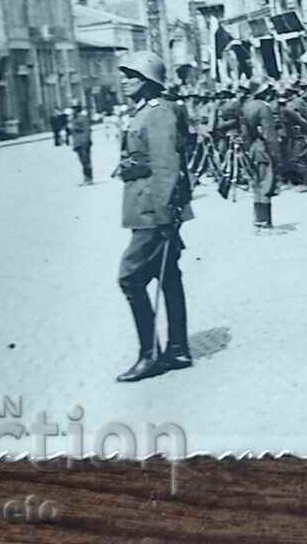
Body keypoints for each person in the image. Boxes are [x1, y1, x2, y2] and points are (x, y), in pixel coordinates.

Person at [114, 51, 192, 383]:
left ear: (148, 81)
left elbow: (166, 168)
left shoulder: (157, 113)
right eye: (124, 74)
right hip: (152, 207)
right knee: (168, 276)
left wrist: (162, 219)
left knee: (130, 278)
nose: (124, 79)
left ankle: (151, 356)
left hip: (153, 210)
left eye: (131, 75)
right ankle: (177, 349)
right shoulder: (146, 111)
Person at [240, 81, 278, 229]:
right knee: (266, 184)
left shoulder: (246, 106)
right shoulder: (264, 107)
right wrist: (275, 155)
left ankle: (258, 219)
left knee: (256, 183)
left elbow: (244, 133)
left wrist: (249, 149)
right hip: (264, 148)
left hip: (253, 148)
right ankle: (265, 221)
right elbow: (270, 134)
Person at [70, 99, 94, 185]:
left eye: (75, 108)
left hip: (84, 143)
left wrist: (86, 142)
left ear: (78, 108)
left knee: (86, 161)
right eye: (73, 108)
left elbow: (87, 130)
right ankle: (86, 179)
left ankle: (89, 179)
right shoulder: (74, 118)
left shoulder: (83, 117)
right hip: (78, 144)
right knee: (83, 162)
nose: (73, 110)